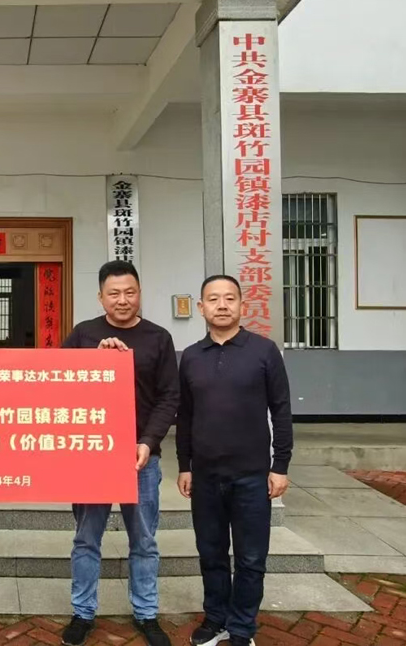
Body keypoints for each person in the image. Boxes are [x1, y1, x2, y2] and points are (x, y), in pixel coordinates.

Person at [61, 261, 179, 646]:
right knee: (86, 539)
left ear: (140, 293)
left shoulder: (158, 338)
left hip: (141, 458)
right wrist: (94, 362)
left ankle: (146, 613)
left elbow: (169, 397)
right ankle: (82, 612)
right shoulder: (83, 334)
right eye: (114, 293)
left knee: (144, 541)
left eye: (130, 292)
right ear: (100, 297)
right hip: (92, 457)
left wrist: (148, 441)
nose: (122, 300)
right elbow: (59, 384)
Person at [176, 275, 293, 646]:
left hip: (252, 476)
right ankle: (216, 619)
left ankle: (242, 627)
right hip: (206, 477)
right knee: (211, 554)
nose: (222, 305)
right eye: (213, 299)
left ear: (243, 305)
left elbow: (281, 410)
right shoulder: (191, 356)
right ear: (201, 307)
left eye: (230, 298)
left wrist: (280, 466)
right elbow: (185, 416)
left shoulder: (264, 351)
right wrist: (184, 465)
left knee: (251, 558)